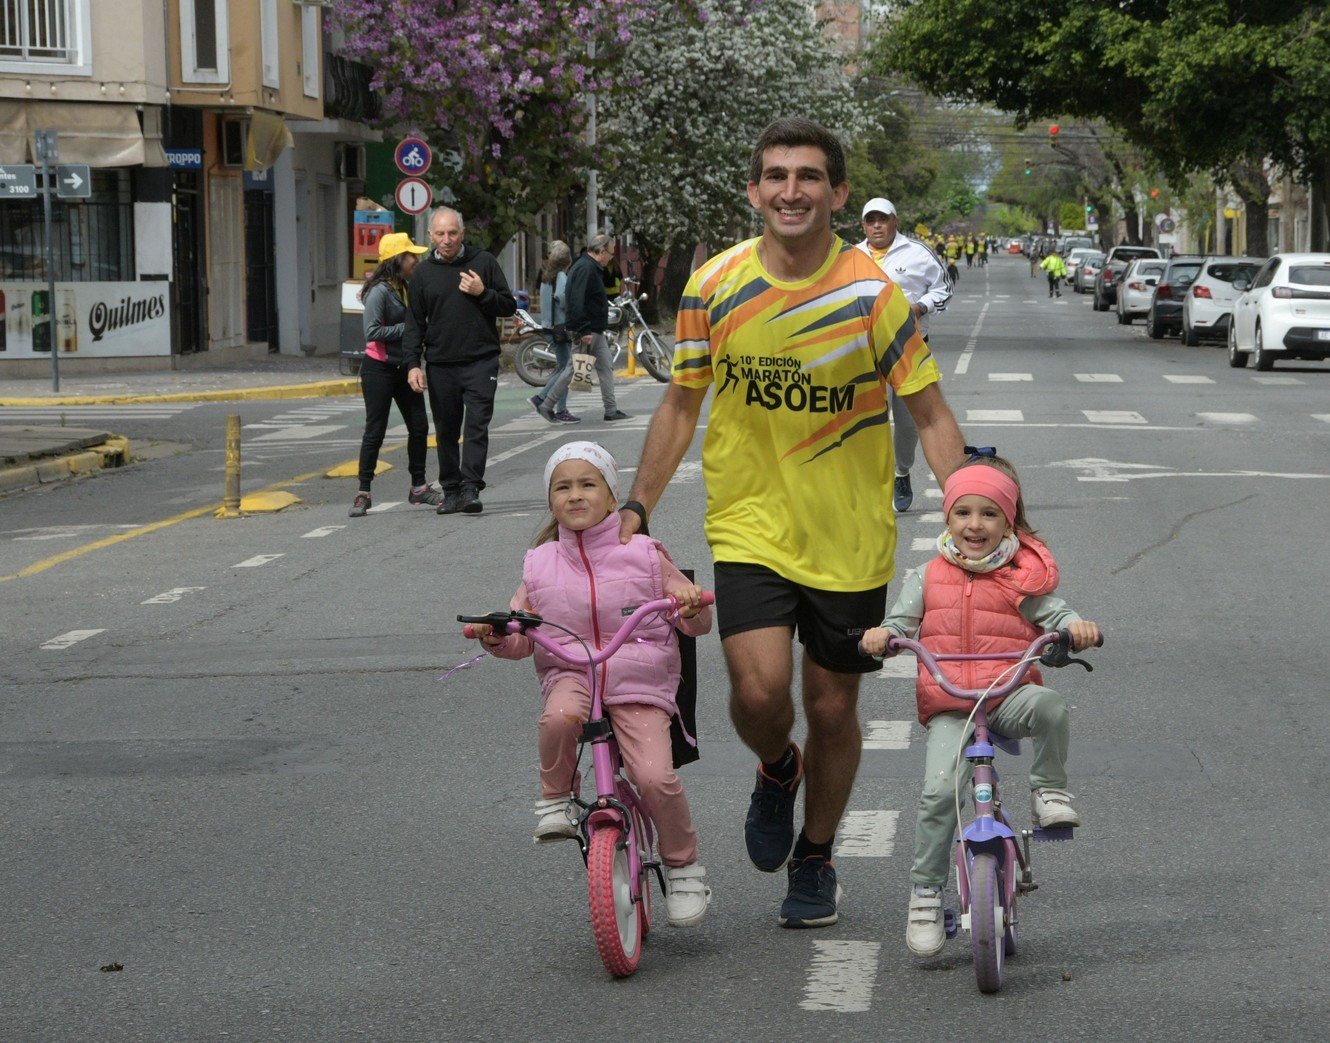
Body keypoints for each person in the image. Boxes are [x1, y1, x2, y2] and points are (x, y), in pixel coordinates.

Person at [617, 116, 968, 929]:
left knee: (836, 709)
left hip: (849, 536)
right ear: (753, 190)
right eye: (775, 175)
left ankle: (814, 853)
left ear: (837, 193)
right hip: (750, 526)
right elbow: (679, 402)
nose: (790, 190)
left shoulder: (873, 295)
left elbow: (930, 411)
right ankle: (777, 765)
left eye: (808, 176)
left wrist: (975, 514)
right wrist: (636, 505)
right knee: (758, 688)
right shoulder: (713, 284)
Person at [859, 452, 1101, 957]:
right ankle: (926, 892)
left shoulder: (1022, 577)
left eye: (990, 513)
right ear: (947, 518)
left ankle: (1049, 792)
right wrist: (884, 634)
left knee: (1050, 706)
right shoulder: (926, 577)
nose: (976, 524)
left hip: (1008, 693)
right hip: (952, 702)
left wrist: (1073, 630)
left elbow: (1055, 618)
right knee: (938, 792)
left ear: (1009, 521)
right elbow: (902, 624)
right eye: (963, 512)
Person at [472, 441, 715, 927]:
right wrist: (497, 635)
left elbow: (693, 622)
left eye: (588, 484)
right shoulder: (539, 564)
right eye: (563, 487)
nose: (575, 495)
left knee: (654, 776)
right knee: (558, 717)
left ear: (611, 495)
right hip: (571, 671)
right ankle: (556, 798)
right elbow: (522, 636)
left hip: (638, 678)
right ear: (549, 500)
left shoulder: (643, 553)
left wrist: (691, 604)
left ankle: (684, 866)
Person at [404, 207, 517, 516]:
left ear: (463, 234)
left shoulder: (483, 263)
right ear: (430, 236)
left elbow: (508, 305)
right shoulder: (423, 274)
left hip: (481, 360)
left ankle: (470, 488)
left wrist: (482, 293)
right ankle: (451, 490)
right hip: (441, 364)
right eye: (440, 234)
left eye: (452, 233)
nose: (447, 239)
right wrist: (413, 363)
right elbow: (414, 322)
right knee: (446, 430)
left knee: (477, 425)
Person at [856, 197, 952, 514]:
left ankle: (901, 472)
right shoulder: (851, 257)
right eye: (871, 221)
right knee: (866, 421)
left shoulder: (918, 253)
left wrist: (920, 306)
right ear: (864, 225)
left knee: (908, 423)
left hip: (908, 347)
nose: (877, 226)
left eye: (882, 219)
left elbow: (943, 289)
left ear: (895, 221)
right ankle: (870, 483)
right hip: (863, 352)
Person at [351, 232, 442, 517]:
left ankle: (418, 487)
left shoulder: (404, 286)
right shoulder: (379, 291)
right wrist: (411, 328)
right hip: (379, 368)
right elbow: (372, 332)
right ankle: (363, 492)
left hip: (405, 367)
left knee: (419, 426)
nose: (415, 260)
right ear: (396, 260)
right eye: (410, 256)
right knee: (374, 430)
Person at [547, 233, 630, 423]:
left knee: (605, 367)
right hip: (588, 330)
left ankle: (611, 410)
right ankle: (546, 405)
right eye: (610, 253)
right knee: (573, 371)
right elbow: (576, 301)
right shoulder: (586, 268)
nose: (611, 258)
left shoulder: (589, 267)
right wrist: (584, 330)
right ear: (601, 252)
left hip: (594, 330)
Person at [529, 240, 582, 425]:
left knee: (563, 367)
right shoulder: (560, 277)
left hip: (548, 326)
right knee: (566, 369)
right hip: (560, 327)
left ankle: (558, 407)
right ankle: (544, 400)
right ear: (567, 261)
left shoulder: (546, 277)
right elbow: (562, 297)